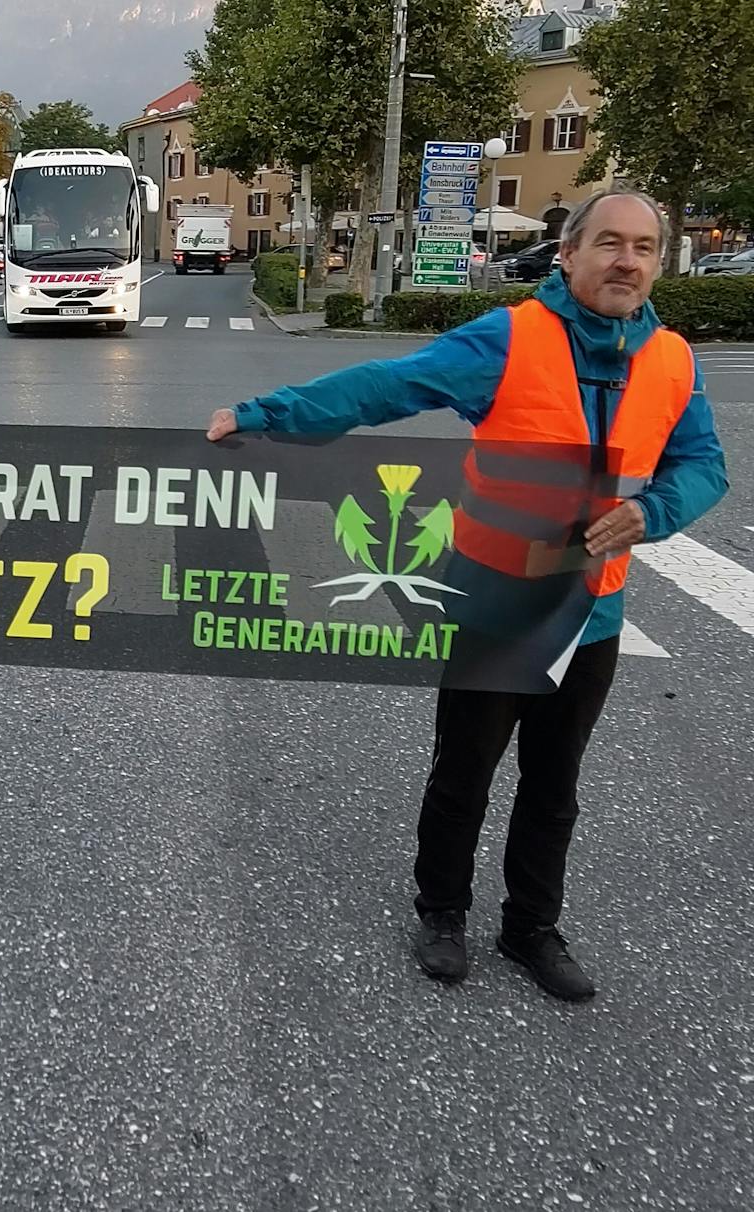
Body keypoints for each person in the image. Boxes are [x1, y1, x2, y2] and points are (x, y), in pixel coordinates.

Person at [205, 188, 727, 1002]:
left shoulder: (672, 359)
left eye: (645, 248)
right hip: (494, 601)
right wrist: (264, 414)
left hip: (593, 611)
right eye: (609, 243)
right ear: (569, 254)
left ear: (659, 261)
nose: (627, 261)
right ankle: (442, 913)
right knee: (466, 772)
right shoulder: (511, 338)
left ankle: (531, 929)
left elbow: (704, 465)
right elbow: (390, 386)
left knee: (556, 786)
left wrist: (653, 511)